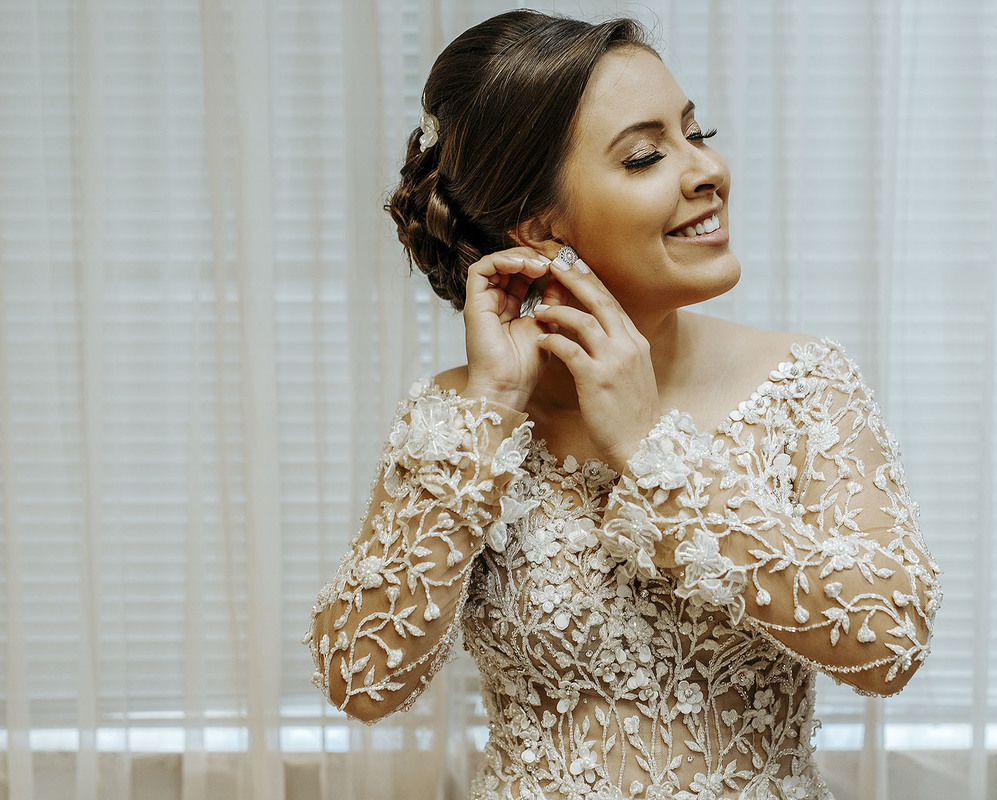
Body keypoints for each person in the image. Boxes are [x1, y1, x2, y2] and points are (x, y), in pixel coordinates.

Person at [304, 10, 942, 799]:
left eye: (696, 132)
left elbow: (890, 642)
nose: (706, 170)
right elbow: (361, 682)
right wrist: (491, 407)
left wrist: (650, 448)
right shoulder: (458, 415)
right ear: (539, 229)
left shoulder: (804, 383)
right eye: (644, 156)